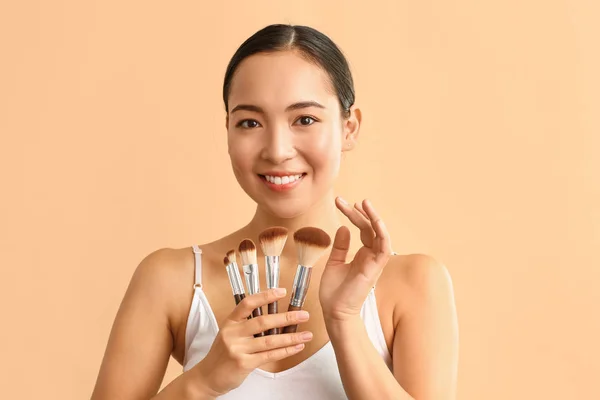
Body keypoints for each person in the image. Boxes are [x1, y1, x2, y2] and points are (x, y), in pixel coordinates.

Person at [91, 24, 459, 400]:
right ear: (228, 130)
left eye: (305, 119)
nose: (277, 150)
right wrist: (202, 382)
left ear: (349, 128)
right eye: (250, 122)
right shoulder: (173, 280)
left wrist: (344, 321)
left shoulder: (413, 283)